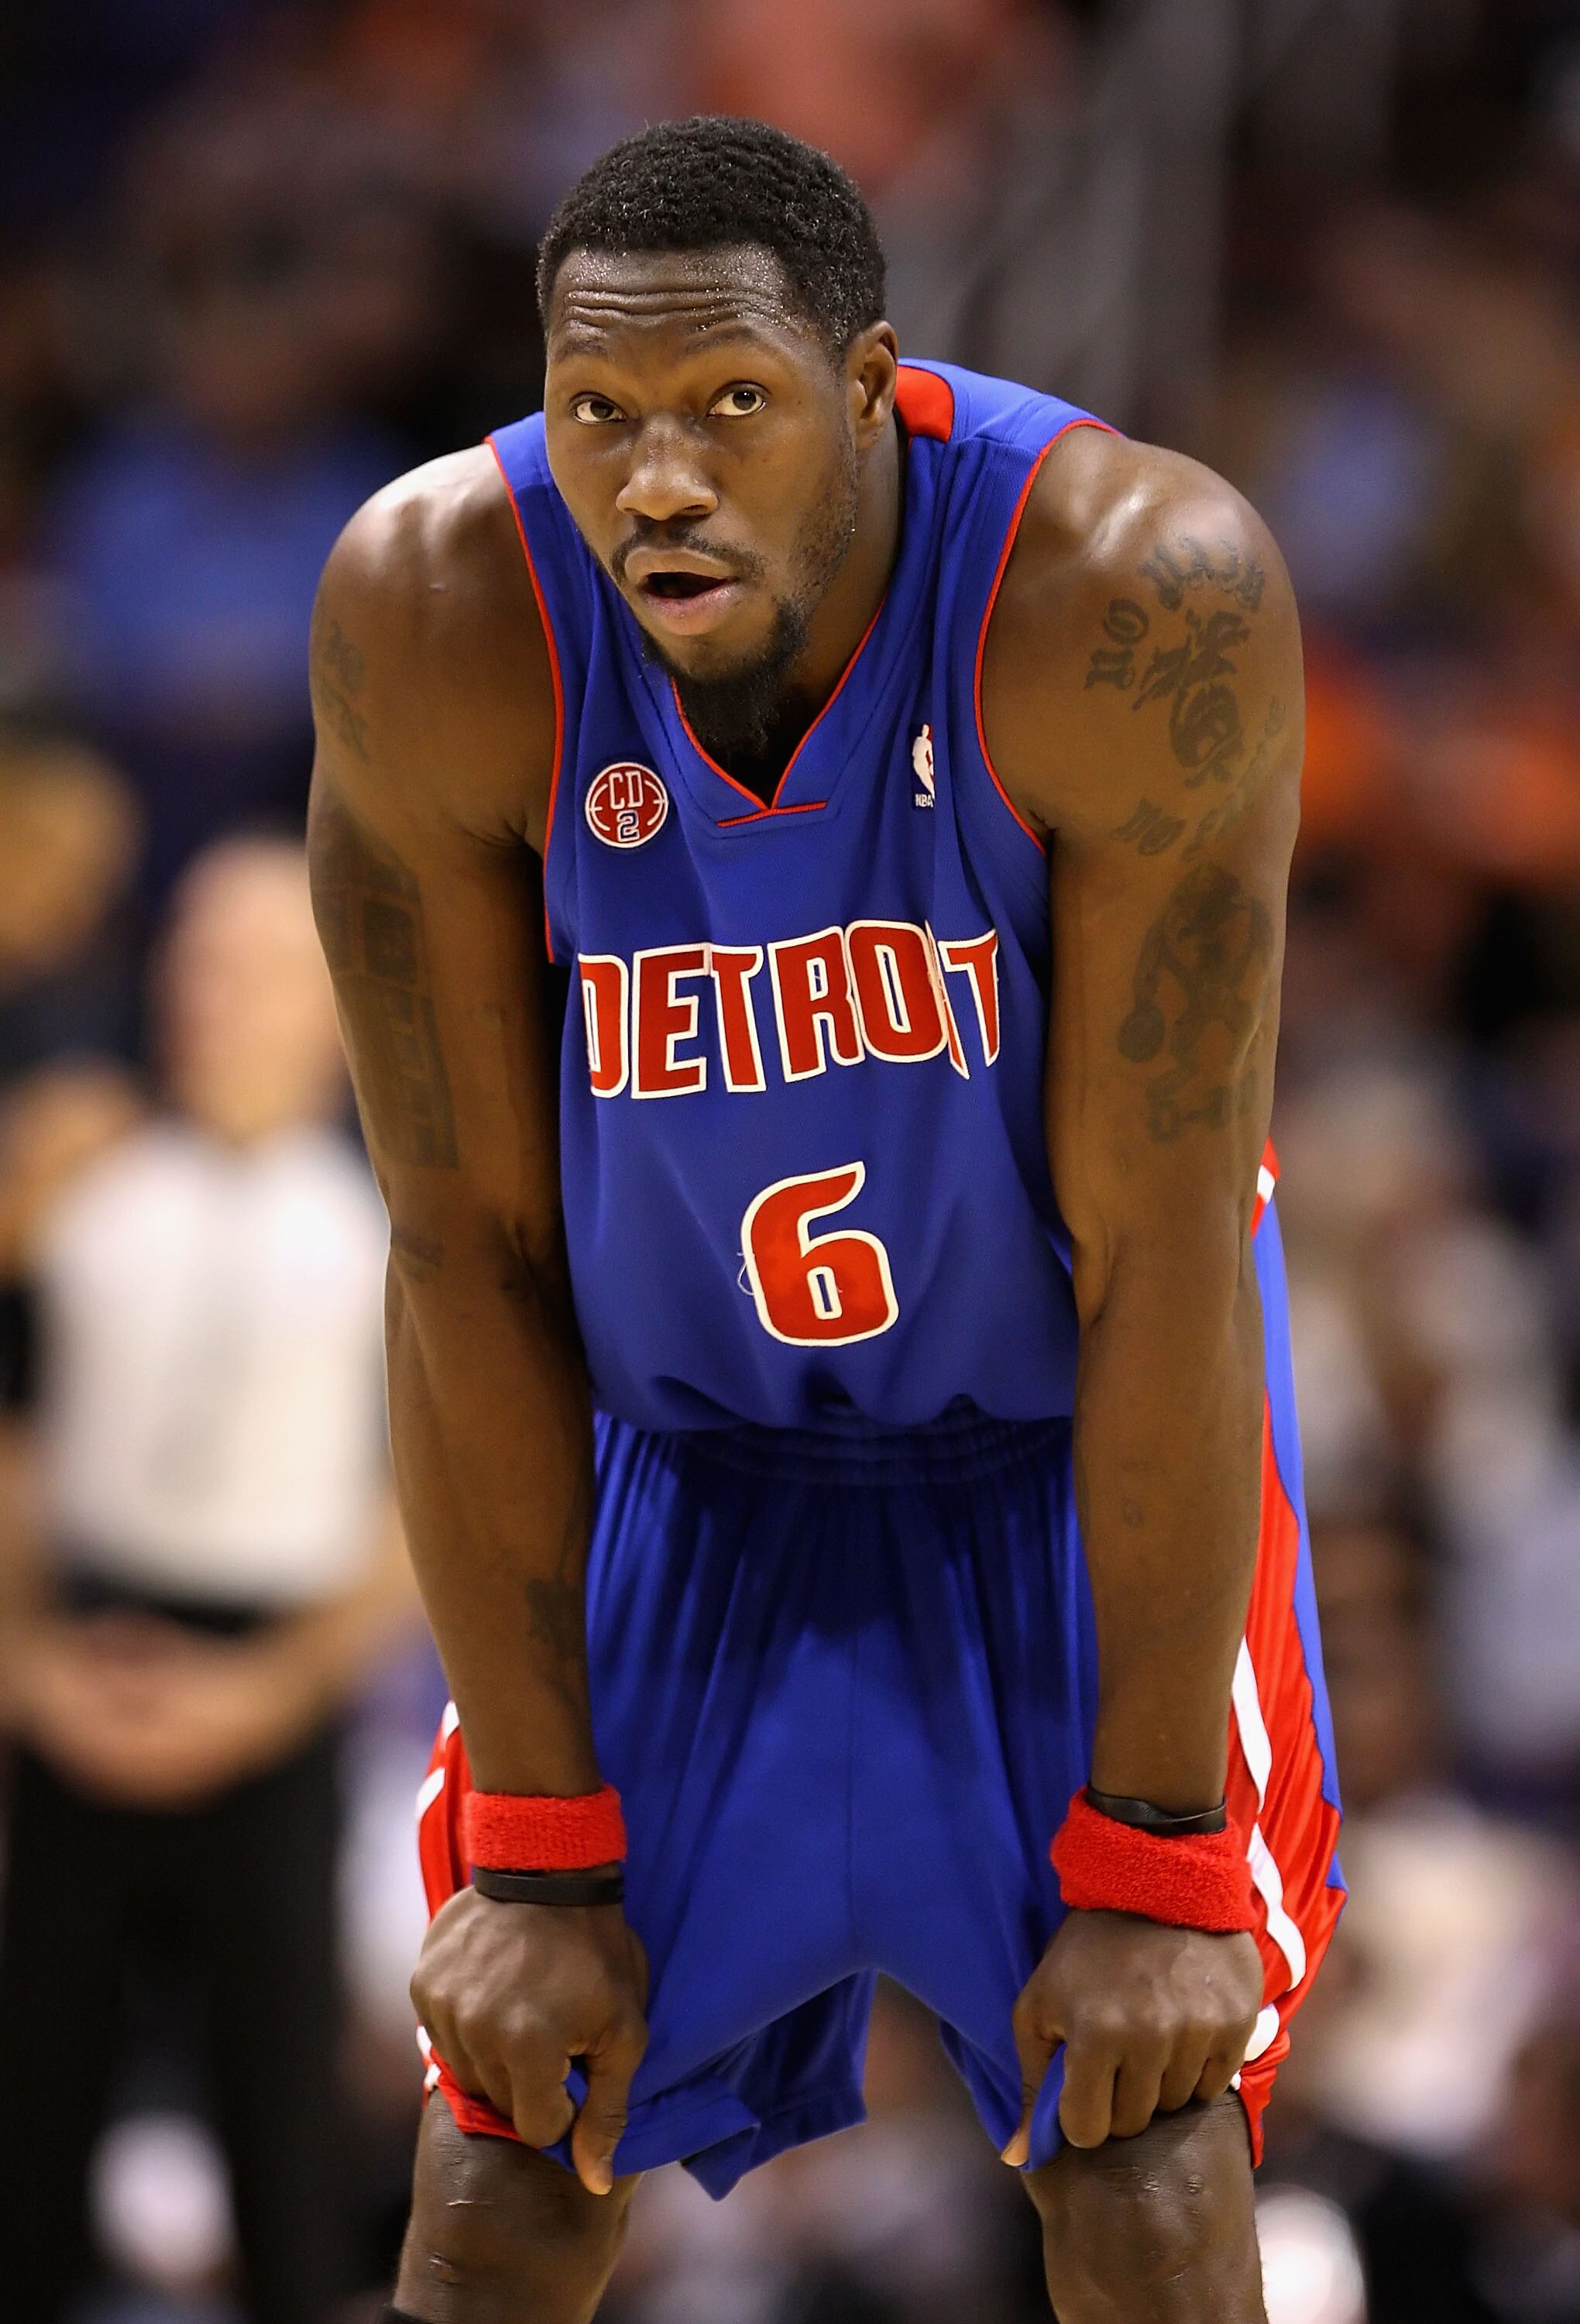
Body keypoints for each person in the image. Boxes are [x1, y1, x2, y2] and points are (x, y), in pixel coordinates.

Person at [308, 117, 1342, 2323]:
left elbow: (1172, 1242)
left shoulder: (1131, 590)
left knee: (1147, 2156)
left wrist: (1161, 1852)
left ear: (873, 384)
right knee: (499, 2158)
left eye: (730, 410)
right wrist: (533, 1840)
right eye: (600, 417)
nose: (653, 478)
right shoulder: (438, 609)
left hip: (1057, 1471)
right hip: (673, 1474)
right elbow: (460, 1246)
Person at [0, 837, 420, 2324]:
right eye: (190, 954)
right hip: (70, 1667)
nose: (206, 992)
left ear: (330, 1000)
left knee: (284, 2146)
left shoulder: (389, 1224)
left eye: (249, 966)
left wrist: (273, 1691)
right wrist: (26, 1657)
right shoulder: (78, 1171)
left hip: (275, 1691)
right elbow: (18, 1435)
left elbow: (422, 1519)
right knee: (27, 2125)